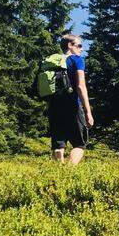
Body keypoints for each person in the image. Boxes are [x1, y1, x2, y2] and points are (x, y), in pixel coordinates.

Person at [48, 33, 93, 165]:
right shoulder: (77, 60)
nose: (81, 49)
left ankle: (58, 173)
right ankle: (69, 172)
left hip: (53, 106)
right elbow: (80, 86)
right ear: (70, 45)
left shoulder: (51, 61)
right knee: (80, 143)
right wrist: (88, 111)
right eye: (79, 45)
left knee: (58, 143)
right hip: (73, 105)